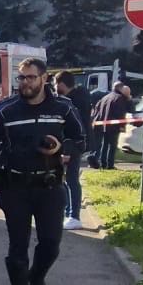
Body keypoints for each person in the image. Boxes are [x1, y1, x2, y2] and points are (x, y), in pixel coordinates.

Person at [0, 58, 84, 285]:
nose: (25, 83)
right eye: (21, 78)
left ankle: (36, 278)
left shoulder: (63, 108)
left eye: (31, 77)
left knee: (51, 244)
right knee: (17, 246)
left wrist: (61, 148)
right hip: (15, 187)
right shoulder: (6, 110)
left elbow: (81, 139)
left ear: (44, 78)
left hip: (49, 186)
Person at [54, 72, 91, 229]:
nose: (54, 87)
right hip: (74, 145)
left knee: (70, 180)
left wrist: (67, 150)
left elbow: (72, 129)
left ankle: (73, 216)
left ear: (62, 84)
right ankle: (68, 213)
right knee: (67, 180)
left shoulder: (72, 102)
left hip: (72, 146)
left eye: (55, 84)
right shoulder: (79, 98)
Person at [88, 83, 133, 170]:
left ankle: (103, 163)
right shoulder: (119, 98)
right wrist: (122, 126)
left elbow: (97, 109)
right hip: (113, 125)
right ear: (121, 89)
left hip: (103, 124)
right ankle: (110, 164)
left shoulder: (106, 97)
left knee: (105, 145)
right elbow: (120, 113)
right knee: (112, 146)